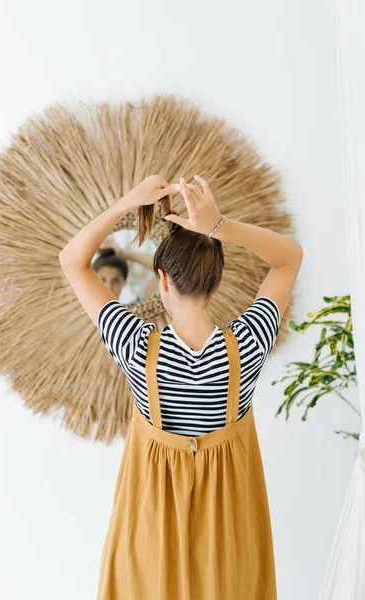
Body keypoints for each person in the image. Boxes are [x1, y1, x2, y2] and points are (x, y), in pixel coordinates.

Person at [59, 174, 303, 599]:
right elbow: (289, 257)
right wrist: (219, 226)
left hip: (150, 529)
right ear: (218, 282)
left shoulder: (135, 346)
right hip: (226, 534)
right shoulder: (248, 343)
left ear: (163, 280)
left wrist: (126, 203)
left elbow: (72, 260)